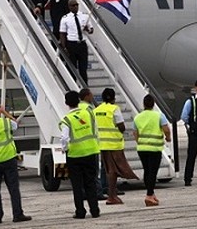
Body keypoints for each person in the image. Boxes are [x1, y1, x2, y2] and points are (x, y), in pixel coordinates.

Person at [59, 91, 100, 219]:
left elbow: (64, 138)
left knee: (77, 185)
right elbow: (95, 129)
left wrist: (65, 148)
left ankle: (80, 211)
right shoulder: (88, 113)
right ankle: (95, 210)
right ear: (79, 101)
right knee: (91, 182)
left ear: (66, 103)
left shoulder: (67, 119)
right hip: (91, 151)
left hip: (74, 155)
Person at [93, 88, 138, 204]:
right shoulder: (114, 109)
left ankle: (110, 193)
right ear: (113, 98)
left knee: (108, 169)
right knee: (114, 170)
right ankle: (112, 196)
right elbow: (121, 126)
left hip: (102, 144)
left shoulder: (96, 110)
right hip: (114, 144)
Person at [133, 94, 171, 206]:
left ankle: (151, 193)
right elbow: (166, 129)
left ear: (144, 104)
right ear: (153, 104)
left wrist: (140, 142)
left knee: (147, 170)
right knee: (153, 172)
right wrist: (168, 138)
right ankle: (149, 195)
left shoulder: (137, 117)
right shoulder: (159, 116)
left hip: (142, 148)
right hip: (155, 148)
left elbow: (135, 133)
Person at [78, 88, 107, 201]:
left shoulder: (77, 107)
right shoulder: (89, 108)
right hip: (91, 144)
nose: (92, 97)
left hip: (79, 146)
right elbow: (93, 126)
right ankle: (98, 192)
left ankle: (85, 192)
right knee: (94, 172)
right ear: (86, 96)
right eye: (91, 95)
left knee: (83, 173)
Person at [59, 0, 93, 84]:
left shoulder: (84, 16)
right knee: (72, 68)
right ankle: (72, 85)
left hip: (81, 44)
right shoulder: (65, 18)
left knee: (83, 68)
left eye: (76, 5)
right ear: (69, 7)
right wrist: (64, 47)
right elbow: (62, 33)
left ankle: (85, 86)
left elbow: (91, 30)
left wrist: (88, 29)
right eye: (73, 5)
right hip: (71, 44)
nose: (75, 7)